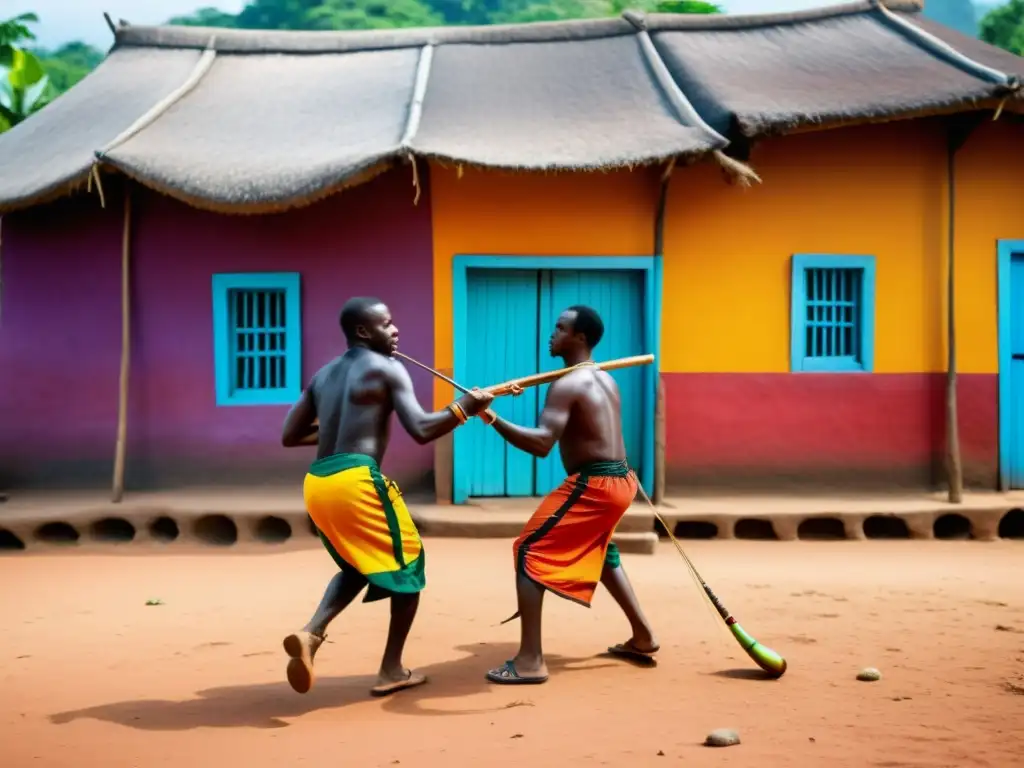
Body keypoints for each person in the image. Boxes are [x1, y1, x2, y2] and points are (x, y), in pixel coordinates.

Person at [280, 296, 494, 697]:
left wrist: (341, 430)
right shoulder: (388, 368)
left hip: (318, 484)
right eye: (387, 324)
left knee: (359, 564)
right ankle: (392, 669)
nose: (396, 331)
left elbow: (290, 435)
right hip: (356, 481)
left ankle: (311, 633)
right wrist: (465, 406)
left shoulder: (323, 375)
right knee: (409, 566)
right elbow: (421, 428)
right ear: (364, 331)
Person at [482, 305, 658, 684]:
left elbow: (543, 443)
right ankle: (643, 637)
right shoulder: (603, 379)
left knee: (528, 550)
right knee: (603, 553)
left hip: (595, 484)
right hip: (622, 481)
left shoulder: (566, 384)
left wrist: (490, 416)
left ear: (580, 338)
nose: (553, 334)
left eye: (560, 328)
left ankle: (530, 660)